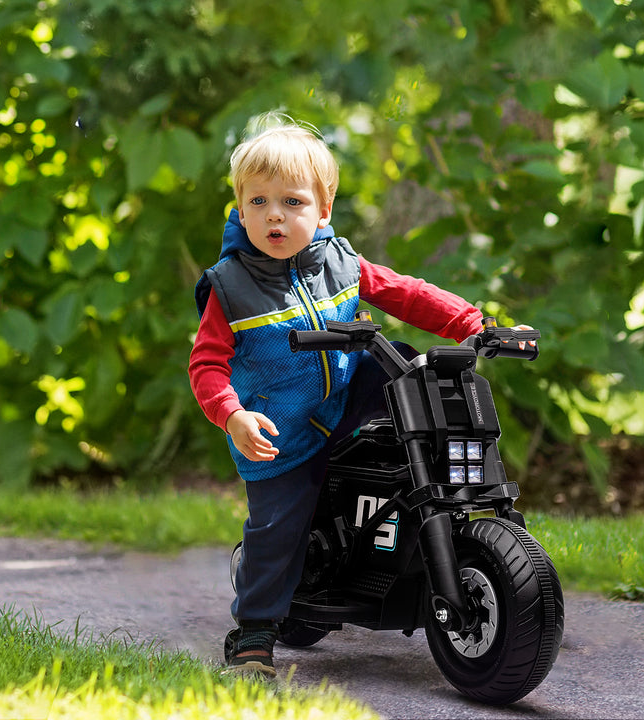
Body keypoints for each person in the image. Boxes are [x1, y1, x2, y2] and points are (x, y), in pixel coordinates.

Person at [188, 114, 484, 677]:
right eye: (258, 202)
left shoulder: (342, 262)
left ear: (323, 210)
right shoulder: (230, 288)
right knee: (276, 528)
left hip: (347, 401)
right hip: (282, 433)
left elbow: (406, 293)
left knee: (402, 360)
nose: (274, 214)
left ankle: (444, 492)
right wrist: (234, 416)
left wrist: (470, 321)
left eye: (292, 202)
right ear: (240, 209)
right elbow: (205, 366)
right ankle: (253, 634)